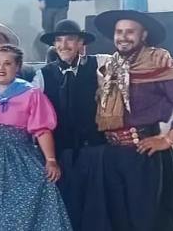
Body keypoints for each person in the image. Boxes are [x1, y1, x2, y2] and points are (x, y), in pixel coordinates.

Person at [93, 10, 173, 231]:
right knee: (118, 221)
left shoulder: (157, 63)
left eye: (130, 32)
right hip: (113, 154)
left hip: (143, 154)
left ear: (143, 35)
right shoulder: (111, 67)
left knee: (146, 222)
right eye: (119, 32)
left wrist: (168, 139)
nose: (123, 37)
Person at [0, 45, 71, 231]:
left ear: (17, 66)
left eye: (7, 63)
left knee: (19, 208)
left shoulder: (31, 93)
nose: (1, 68)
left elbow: (42, 130)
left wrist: (51, 160)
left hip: (18, 159)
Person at [33, 20, 110, 230]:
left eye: (70, 39)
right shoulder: (42, 75)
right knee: (67, 206)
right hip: (62, 154)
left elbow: (125, 68)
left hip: (95, 150)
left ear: (80, 43)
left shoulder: (99, 64)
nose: (63, 45)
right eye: (59, 40)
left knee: (97, 207)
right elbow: (32, 112)